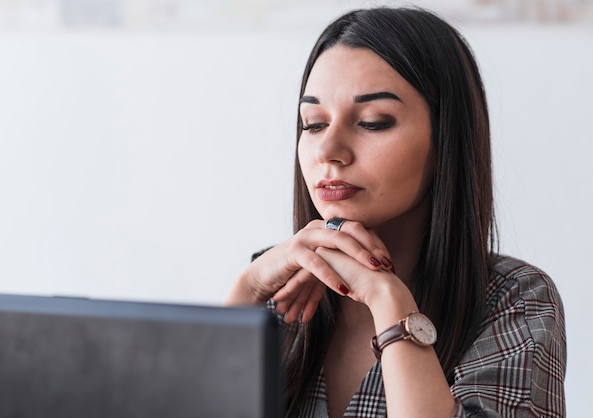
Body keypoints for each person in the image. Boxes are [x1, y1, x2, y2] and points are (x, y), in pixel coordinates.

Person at [226, 6, 566, 418]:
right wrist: (244, 292)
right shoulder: (274, 293)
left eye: (373, 121)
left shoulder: (515, 301)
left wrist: (390, 301)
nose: (329, 151)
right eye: (313, 124)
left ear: (445, 141)